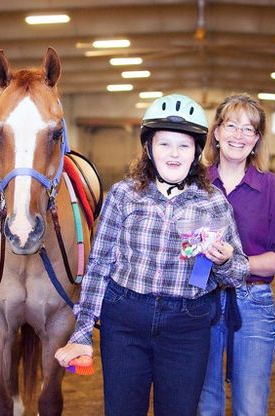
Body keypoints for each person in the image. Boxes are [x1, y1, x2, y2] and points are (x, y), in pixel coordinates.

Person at [55, 94, 249, 416]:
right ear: (148, 148)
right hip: (126, 319)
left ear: (197, 152)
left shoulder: (213, 203)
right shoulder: (123, 195)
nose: (174, 154)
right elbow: (100, 264)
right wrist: (83, 330)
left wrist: (225, 259)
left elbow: (239, 271)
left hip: (187, 324)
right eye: (164, 144)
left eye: (184, 146)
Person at [197, 94, 275, 415]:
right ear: (217, 132)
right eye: (232, 126)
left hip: (253, 301)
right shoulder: (196, 185)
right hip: (202, 298)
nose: (239, 135)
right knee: (205, 403)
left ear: (256, 140)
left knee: (250, 406)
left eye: (248, 129)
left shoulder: (274, 189)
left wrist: (233, 263)